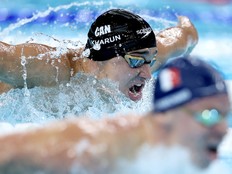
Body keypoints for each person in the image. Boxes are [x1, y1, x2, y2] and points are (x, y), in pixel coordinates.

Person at [0, 56, 230, 173]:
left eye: (225, 116)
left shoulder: (180, 152)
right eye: (209, 115)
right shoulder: (95, 149)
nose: (222, 130)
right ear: (165, 116)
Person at [0, 9, 198, 101]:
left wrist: (184, 19)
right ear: (100, 58)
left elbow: (186, 37)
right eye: (137, 60)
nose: (147, 73)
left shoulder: (139, 65)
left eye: (150, 60)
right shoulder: (52, 69)